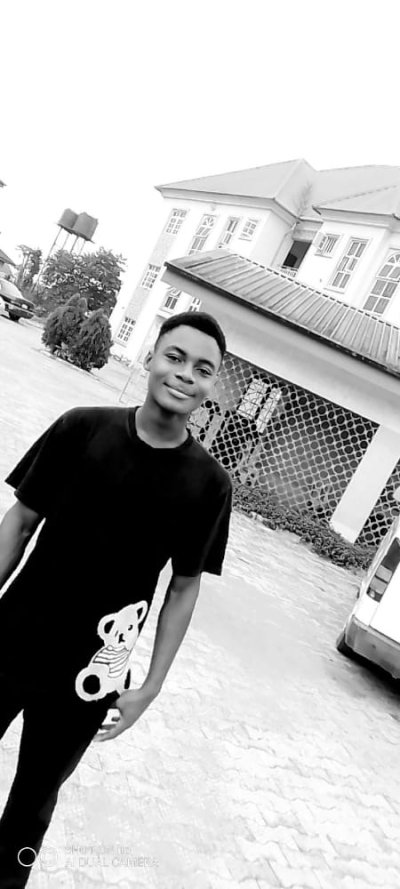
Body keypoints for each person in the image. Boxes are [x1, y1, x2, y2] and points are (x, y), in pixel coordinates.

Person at [0, 310, 232, 886]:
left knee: (32, 805)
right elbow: (19, 522)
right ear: (151, 357)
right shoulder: (81, 428)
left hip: (90, 674)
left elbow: (184, 586)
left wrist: (150, 686)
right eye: (175, 357)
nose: (185, 374)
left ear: (212, 385)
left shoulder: (209, 484)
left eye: (203, 369)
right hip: (12, 636)